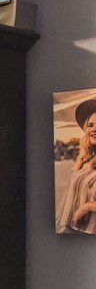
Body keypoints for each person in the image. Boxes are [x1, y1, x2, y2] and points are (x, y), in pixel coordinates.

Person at [57, 98, 96, 234]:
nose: (94, 129)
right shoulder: (87, 159)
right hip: (71, 229)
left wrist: (87, 207)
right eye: (90, 125)